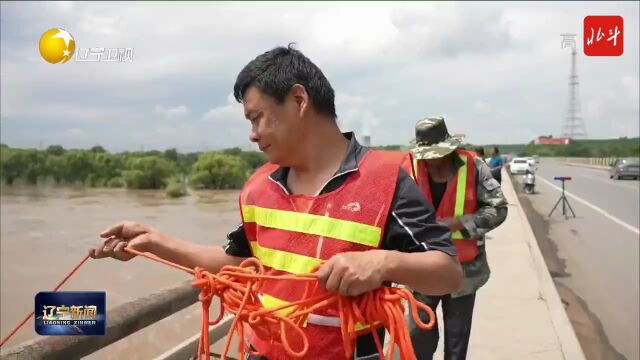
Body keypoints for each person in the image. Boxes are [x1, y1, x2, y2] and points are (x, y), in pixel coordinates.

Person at [89, 45, 462, 360]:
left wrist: (383, 262)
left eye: (257, 118)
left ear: (299, 100)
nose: (252, 135)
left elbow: (448, 273)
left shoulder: (386, 180)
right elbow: (239, 265)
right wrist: (154, 241)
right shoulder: (258, 188)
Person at [408, 116, 508, 360]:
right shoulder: (410, 168)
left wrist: (459, 224)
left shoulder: (475, 167)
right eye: (426, 156)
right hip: (423, 271)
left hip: (464, 274)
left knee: (456, 344)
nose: (431, 162)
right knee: (417, 337)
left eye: (436, 155)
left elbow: (499, 209)